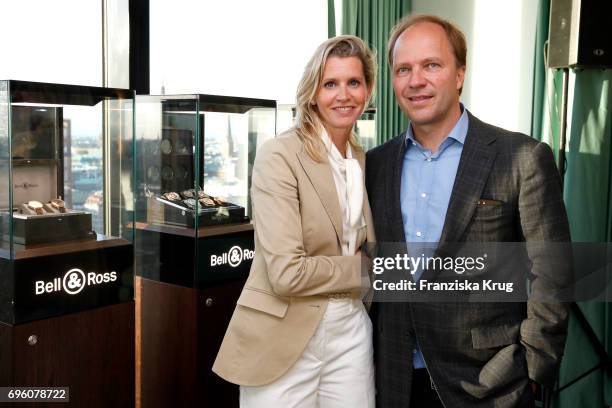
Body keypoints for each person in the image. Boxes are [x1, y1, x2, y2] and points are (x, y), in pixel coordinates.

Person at [366, 14, 571, 407]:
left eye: (431, 65)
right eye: (403, 69)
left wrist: (533, 368)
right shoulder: (374, 165)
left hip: (491, 384)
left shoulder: (522, 157)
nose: (416, 80)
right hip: (393, 380)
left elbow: (554, 272)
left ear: (460, 74)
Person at [213, 35, 377, 407]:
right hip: (284, 331)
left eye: (354, 82)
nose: (343, 94)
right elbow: (287, 272)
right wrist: (364, 270)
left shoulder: (363, 160)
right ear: (313, 92)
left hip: (350, 328)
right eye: (330, 83)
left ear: (367, 90)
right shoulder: (280, 155)